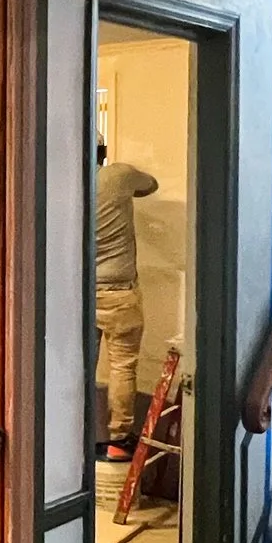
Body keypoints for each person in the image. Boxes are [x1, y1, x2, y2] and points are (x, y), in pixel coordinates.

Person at [95, 142, 159, 460]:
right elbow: (150, 185)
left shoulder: (65, 182)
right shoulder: (117, 176)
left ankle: (73, 434)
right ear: (103, 151)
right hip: (119, 294)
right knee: (122, 366)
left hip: (81, 292)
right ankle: (119, 440)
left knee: (79, 366)